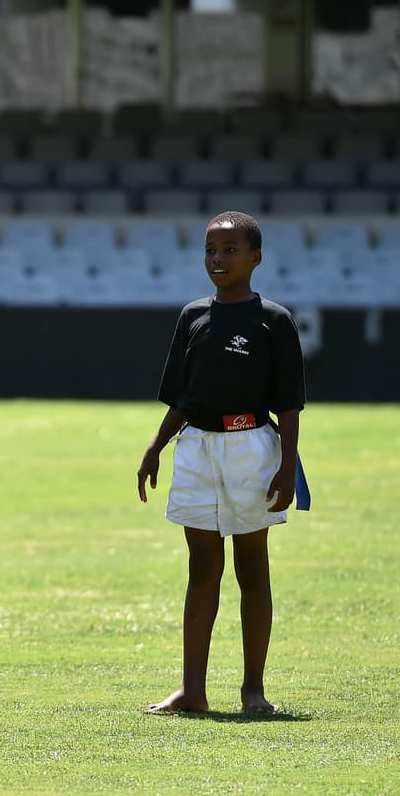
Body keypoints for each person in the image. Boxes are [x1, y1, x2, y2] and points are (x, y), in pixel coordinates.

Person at [138, 211, 306, 715]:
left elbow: (290, 404)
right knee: (202, 567)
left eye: (230, 250)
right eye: (211, 249)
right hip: (196, 449)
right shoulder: (192, 316)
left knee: (252, 568)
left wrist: (286, 466)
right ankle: (193, 691)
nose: (218, 258)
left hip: (252, 446)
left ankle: (253, 690)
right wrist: (156, 446)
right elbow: (182, 398)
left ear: (255, 258)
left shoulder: (273, 320)